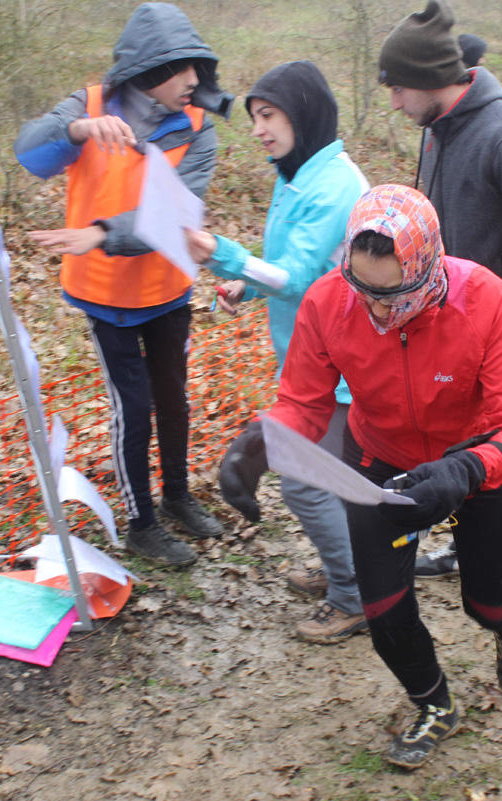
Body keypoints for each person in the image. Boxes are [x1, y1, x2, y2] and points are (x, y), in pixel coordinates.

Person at [217, 184, 502, 769]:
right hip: (380, 461)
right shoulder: (326, 302)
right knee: (384, 607)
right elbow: (303, 402)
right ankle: (434, 706)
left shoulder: (486, 300)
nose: (374, 311)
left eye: (392, 295)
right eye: (362, 290)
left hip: (476, 459)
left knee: (487, 600)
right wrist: (262, 440)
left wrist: (466, 468)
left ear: (429, 270)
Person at [377, 0, 502, 636]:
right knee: (461, 446)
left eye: (399, 90)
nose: (394, 104)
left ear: (432, 78)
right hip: (450, 326)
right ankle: (469, 551)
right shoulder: (438, 134)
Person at [14, 2, 232, 567]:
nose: (193, 81)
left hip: (167, 288)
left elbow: (172, 220)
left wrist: (101, 233)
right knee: (132, 407)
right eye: (181, 68)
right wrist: (79, 130)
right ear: (149, 67)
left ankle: (178, 498)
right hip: (105, 296)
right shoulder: (88, 104)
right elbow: (29, 150)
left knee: (173, 401)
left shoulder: (198, 128)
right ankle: (141, 524)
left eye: (197, 69)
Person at [184, 61, 370, 642]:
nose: (260, 129)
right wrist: (247, 284)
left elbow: (297, 273)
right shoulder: (295, 173)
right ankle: (352, 571)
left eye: (270, 116)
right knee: (331, 481)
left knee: (303, 483)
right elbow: (290, 265)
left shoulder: (335, 185)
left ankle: (355, 596)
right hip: (309, 362)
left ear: (304, 112)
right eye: (255, 119)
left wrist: (224, 254)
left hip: (343, 371)